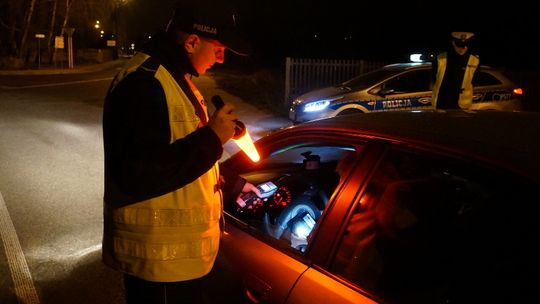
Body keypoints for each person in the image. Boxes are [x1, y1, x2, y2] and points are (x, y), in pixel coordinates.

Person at [101, 1, 260, 303]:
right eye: (218, 49)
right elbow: (138, 174)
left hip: (178, 263)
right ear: (191, 42)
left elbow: (183, 157)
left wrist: (235, 185)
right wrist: (212, 138)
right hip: (158, 264)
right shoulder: (144, 83)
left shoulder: (175, 79)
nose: (222, 59)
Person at [432, 31, 480, 109]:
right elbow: (434, 79)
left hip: (462, 105)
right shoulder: (440, 58)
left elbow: (474, 81)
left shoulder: (474, 60)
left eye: (465, 45)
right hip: (441, 103)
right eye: (459, 45)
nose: (463, 48)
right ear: (453, 43)